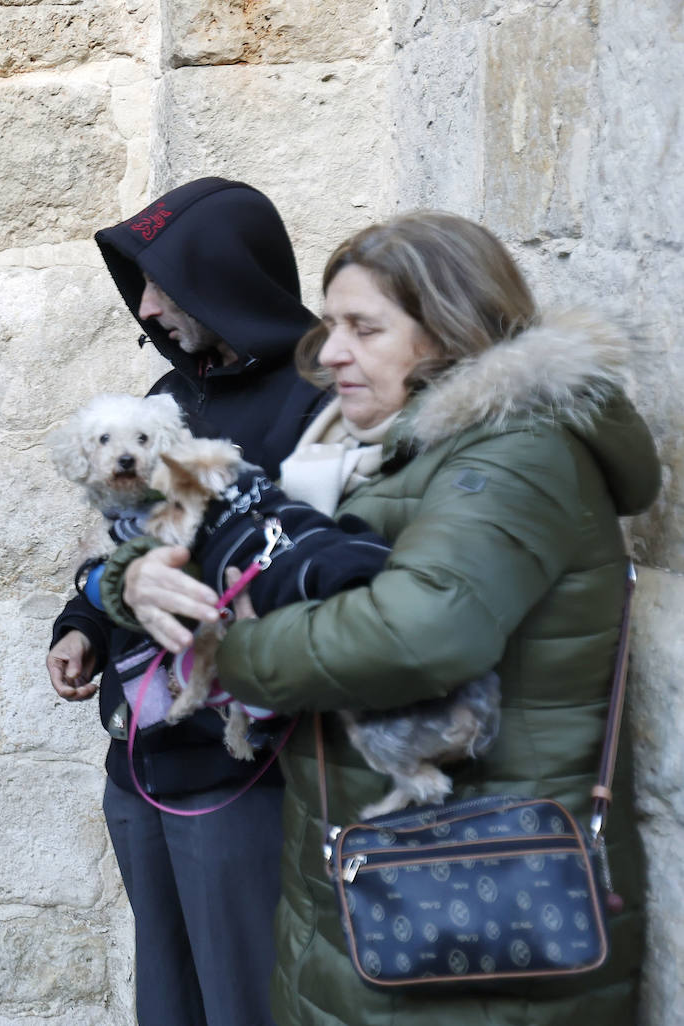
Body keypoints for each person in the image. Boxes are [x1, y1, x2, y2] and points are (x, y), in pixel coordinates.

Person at [106, 211, 659, 1025]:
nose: (329, 355)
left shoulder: (515, 452)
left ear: (449, 330)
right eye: (332, 326)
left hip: (478, 892)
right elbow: (241, 529)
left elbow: (416, 633)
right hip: (383, 871)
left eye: (363, 329)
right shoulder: (368, 444)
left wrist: (223, 650)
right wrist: (136, 578)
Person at [46, 178, 327, 1026]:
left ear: (225, 279)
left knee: (244, 995)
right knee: (164, 992)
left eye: (166, 283)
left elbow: (283, 569)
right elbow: (126, 546)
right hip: (138, 751)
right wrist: (84, 622)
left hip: (239, 765)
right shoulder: (168, 397)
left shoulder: (313, 402)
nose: (149, 305)